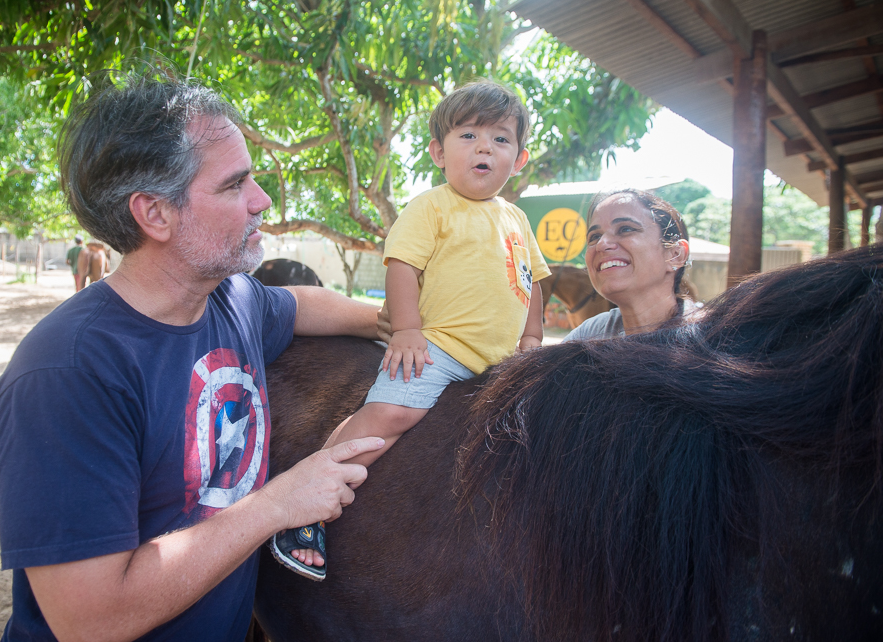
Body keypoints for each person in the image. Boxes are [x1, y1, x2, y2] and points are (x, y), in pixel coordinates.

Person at [0, 72, 385, 642]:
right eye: (233, 185)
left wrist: (393, 319)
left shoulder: (229, 300)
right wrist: (277, 504)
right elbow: (93, 620)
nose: (262, 200)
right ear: (154, 214)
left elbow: (296, 306)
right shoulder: (66, 375)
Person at [271, 80, 551, 580]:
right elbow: (402, 265)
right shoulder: (432, 206)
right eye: (468, 136)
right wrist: (406, 331)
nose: (485, 146)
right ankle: (307, 504)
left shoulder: (517, 220)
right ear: (438, 153)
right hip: (439, 348)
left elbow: (530, 282)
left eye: (500, 138)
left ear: (521, 158)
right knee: (389, 414)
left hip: (500, 359)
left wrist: (532, 339)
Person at [563, 189, 691, 341]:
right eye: (595, 236)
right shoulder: (587, 337)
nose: (601, 244)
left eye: (625, 229)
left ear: (675, 255)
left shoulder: (714, 340)